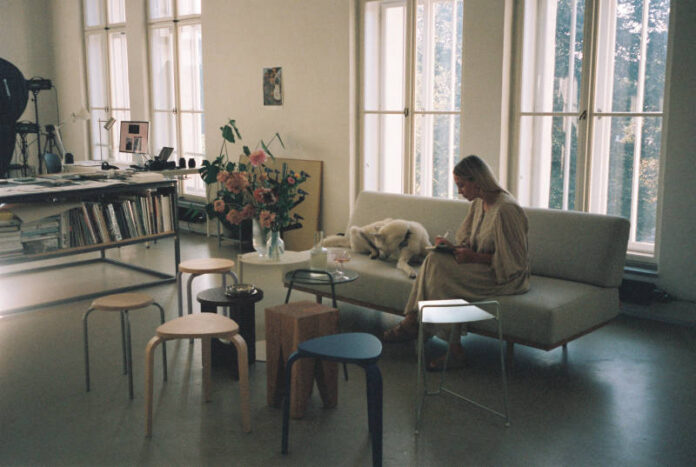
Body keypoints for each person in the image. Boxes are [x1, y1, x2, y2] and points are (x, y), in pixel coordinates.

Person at [382, 154, 530, 370]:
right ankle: (423, 328)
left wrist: (473, 257)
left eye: (461, 185)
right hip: (482, 267)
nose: (459, 191)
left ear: (477, 181)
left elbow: (514, 261)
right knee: (435, 258)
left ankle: (416, 324)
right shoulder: (479, 203)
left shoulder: (506, 210)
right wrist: (452, 248)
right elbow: (470, 242)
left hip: (505, 276)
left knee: (440, 272)